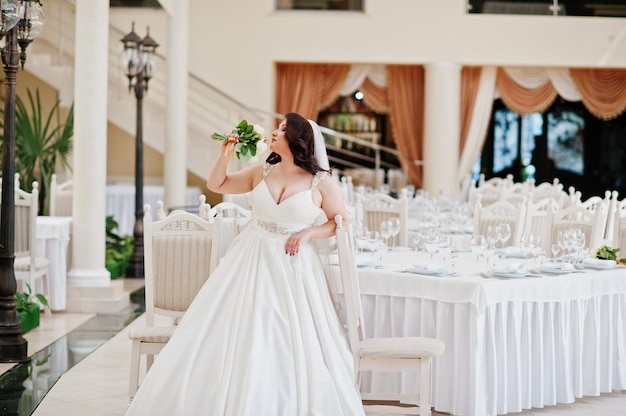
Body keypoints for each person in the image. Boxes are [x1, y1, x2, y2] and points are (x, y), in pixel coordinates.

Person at [125, 113, 365, 415]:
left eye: (282, 129)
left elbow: (340, 222)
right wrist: (224, 154)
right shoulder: (261, 171)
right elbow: (218, 182)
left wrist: (309, 233)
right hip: (249, 256)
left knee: (283, 333)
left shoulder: (321, 181)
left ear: (297, 140)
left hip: (294, 266)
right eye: (276, 128)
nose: (275, 133)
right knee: (234, 327)